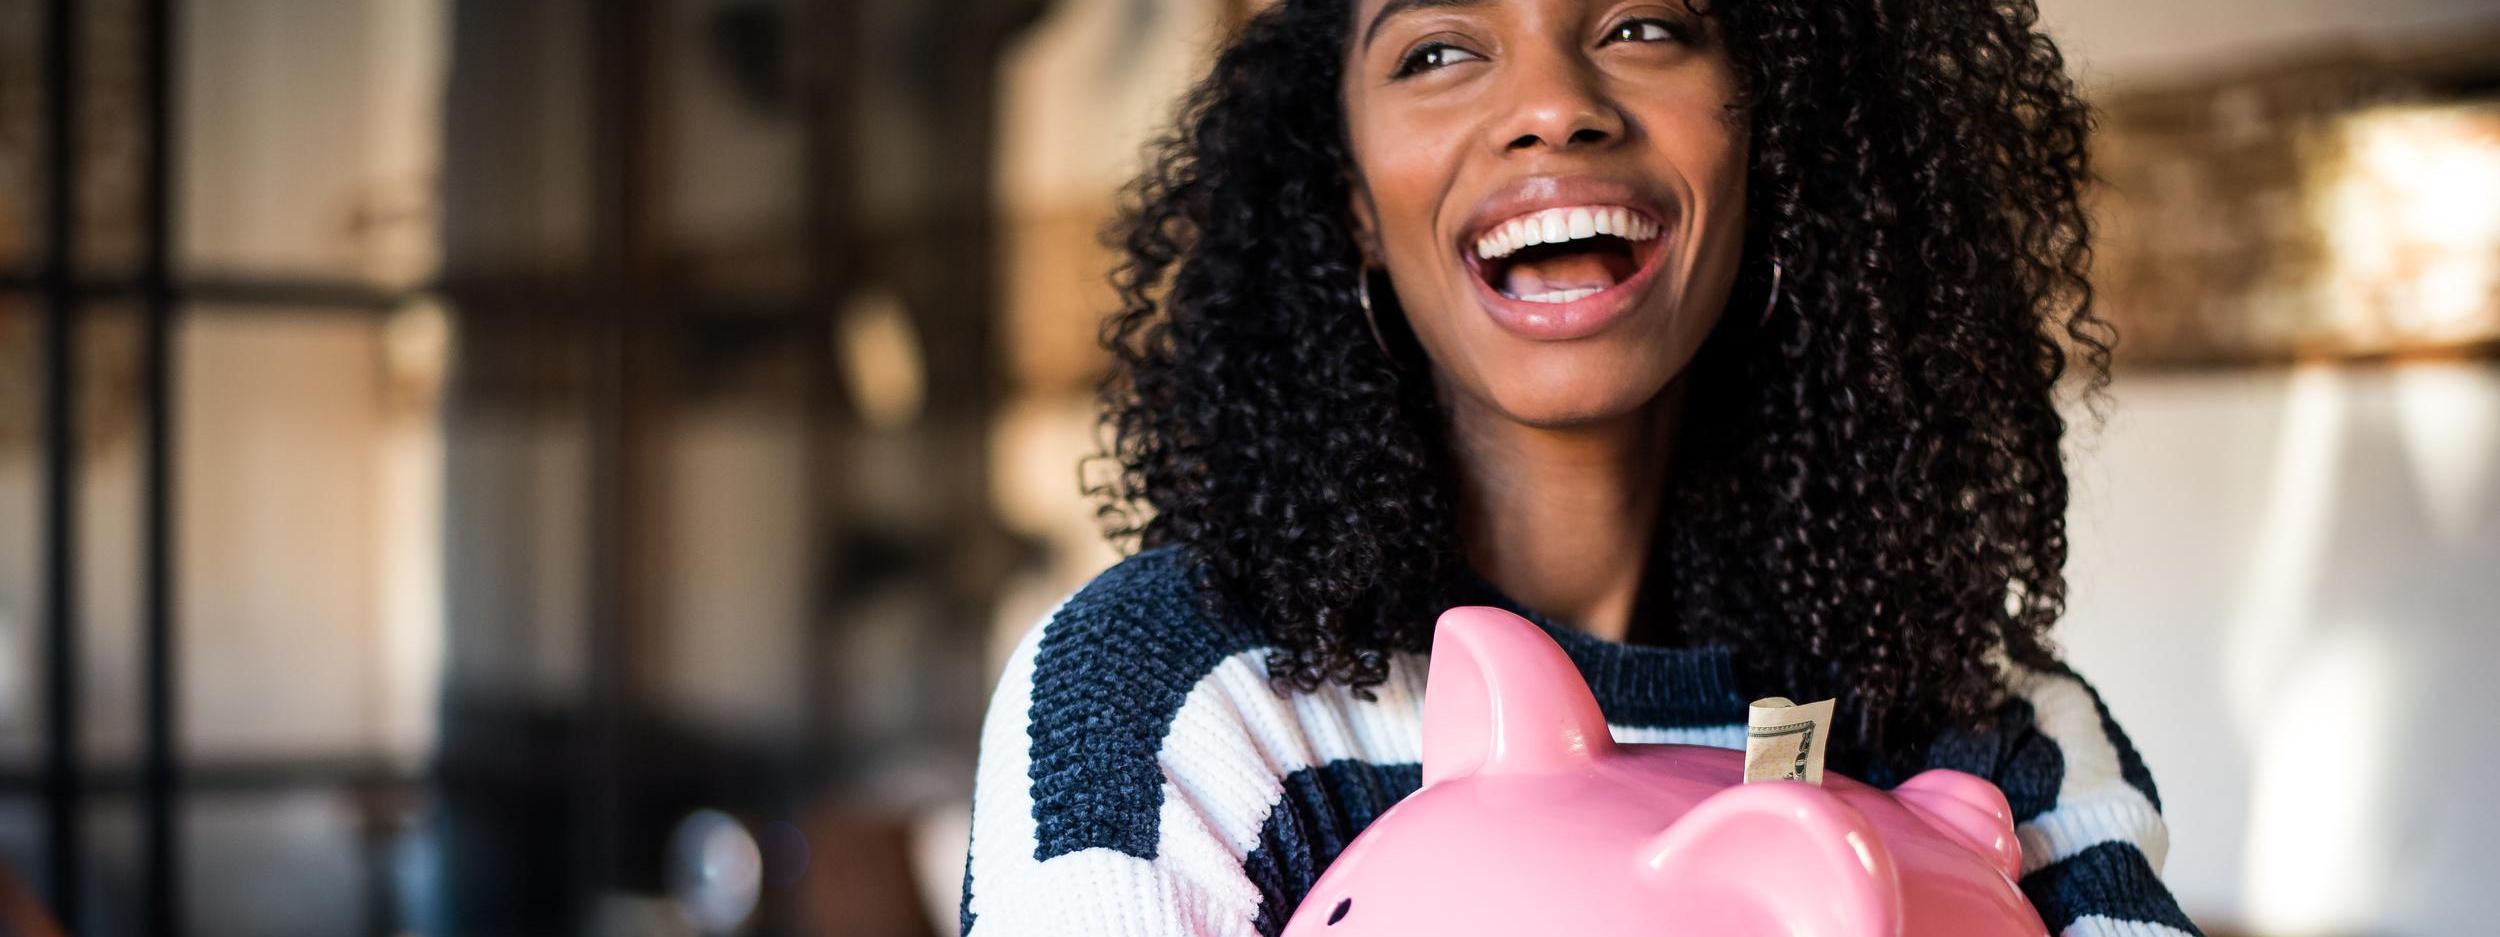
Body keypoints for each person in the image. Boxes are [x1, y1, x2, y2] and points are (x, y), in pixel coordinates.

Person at [960, 0, 2198, 934]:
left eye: (1643, 23)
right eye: (1437, 48)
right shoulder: (1186, 699)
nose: (1553, 104)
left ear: (1771, 134)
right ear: (1347, 200)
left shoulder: (1991, 727)